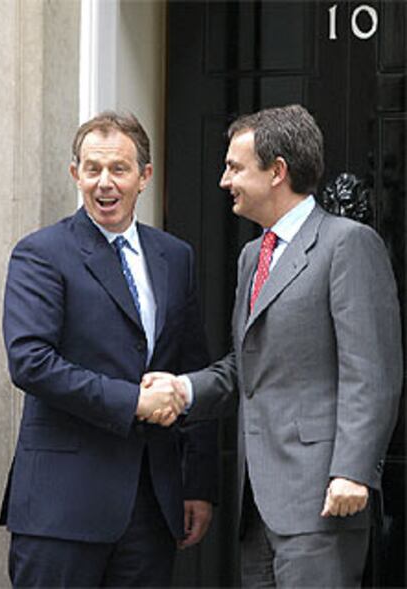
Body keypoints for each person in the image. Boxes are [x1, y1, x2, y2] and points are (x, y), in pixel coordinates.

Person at [143, 105, 403, 587]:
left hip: (323, 498)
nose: (225, 181)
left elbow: (373, 370)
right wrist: (183, 388)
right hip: (257, 506)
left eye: (235, 167)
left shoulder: (347, 244)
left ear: (277, 171)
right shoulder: (251, 256)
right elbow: (246, 369)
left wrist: (353, 470)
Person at [0, 111, 218, 588]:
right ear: (75, 173)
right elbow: (30, 362)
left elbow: (192, 365)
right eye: (92, 169)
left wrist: (197, 484)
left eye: (119, 169)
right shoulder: (41, 253)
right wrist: (133, 401)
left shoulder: (175, 257)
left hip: (151, 508)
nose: (105, 183)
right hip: (62, 511)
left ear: (145, 176)